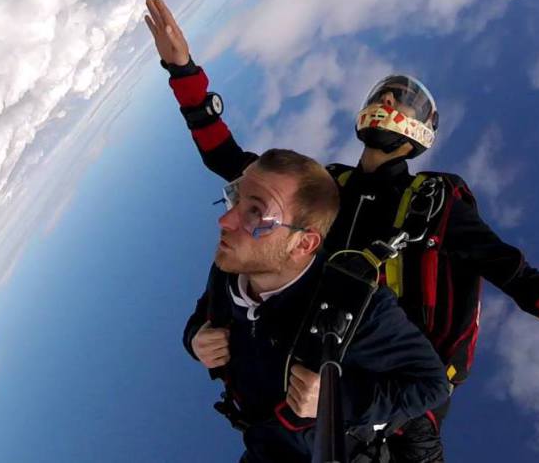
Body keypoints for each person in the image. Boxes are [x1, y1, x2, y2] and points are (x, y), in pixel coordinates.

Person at [147, 0, 539, 462]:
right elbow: (233, 163)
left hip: (400, 408)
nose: (392, 105)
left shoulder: (435, 206)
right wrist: (183, 71)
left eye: (404, 103)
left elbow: (521, 280)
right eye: (387, 96)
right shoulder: (328, 186)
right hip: (303, 393)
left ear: (421, 134)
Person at [183, 148, 452, 462]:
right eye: (234, 198)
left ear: (303, 243)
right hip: (263, 446)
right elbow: (203, 315)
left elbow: (432, 384)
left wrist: (336, 399)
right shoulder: (231, 267)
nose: (225, 220)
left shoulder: (356, 307)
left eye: (256, 213)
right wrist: (195, 339)